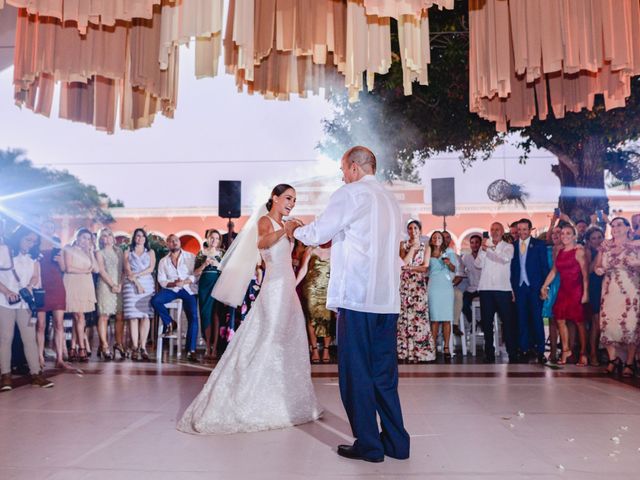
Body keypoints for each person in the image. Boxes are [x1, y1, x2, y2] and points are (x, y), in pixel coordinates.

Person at [292, 146, 410, 463]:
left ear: (355, 168)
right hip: (387, 301)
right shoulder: (390, 201)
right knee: (384, 375)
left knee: (356, 373)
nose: (342, 175)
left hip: (358, 299)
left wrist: (296, 229)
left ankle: (370, 445)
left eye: (343, 169)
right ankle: (398, 443)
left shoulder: (351, 193)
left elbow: (320, 232)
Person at [178, 184, 322, 434]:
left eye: (295, 200)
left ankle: (286, 398)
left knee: (288, 339)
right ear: (275, 198)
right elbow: (262, 242)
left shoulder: (289, 224)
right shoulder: (266, 221)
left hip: (287, 288)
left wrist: (299, 232)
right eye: (287, 198)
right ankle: (249, 397)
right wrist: (284, 231)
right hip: (274, 289)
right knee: (268, 338)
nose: (291, 203)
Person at [0, 225, 53, 390]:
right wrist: (7, 291)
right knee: (6, 338)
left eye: (34, 241)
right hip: (4, 301)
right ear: (19, 237)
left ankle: (36, 374)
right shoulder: (4, 250)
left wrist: (30, 285)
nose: (30, 244)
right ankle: (5, 376)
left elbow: (36, 275)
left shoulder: (34, 256)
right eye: (27, 239)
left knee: (29, 338)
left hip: (25, 302)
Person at [595, 217, 640, 377]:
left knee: (629, 325)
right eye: (613, 226)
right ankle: (613, 360)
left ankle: (629, 362)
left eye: (619, 225)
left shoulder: (636, 245)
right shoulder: (605, 246)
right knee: (609, 325)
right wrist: (599, 270)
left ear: (628, 228)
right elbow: (597, 266)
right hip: (609, 290)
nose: (615, 228)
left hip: (630, 290)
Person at [541, 225, 589, 366]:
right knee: (560, 319)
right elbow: (554, 271)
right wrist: (544, 286)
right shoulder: (560, 251)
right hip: (563, 289)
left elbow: (585, 274)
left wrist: (586, 293)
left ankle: (583, 353)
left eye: (568, 233)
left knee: (579, 322)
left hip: (576, 289)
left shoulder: (579, 251)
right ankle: (566, 349)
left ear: (574, 236)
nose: (564, 236)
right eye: (562, 233)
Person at [152, 235, 202, 362]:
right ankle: (170, 322)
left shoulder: (190, 257)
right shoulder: (163, 261)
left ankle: (191, 350)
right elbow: (161, 280)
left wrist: (184, 282)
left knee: (193, 317)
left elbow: (196, 275)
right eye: (170, 241)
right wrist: (174, 283)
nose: (174, 243)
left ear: (179, 242)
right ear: (167, 244)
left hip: (188, 289)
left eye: (176, 240)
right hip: (172, 290)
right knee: (155, 301)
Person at [475, 223, 517, 363]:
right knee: (487, 323)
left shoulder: (508, 247)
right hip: (486, 289)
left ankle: (512, 353)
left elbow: (504, 259)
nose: (494, 232)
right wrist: (483, 250)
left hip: (503, 289)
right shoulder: (485, 247)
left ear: (502, 231)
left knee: (508, 322)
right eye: (492, 229)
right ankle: (489, 353)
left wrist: (489, 249)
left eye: (497, 229)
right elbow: (478, 264)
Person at [510, 218, 549, 363]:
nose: (521, 232)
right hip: (519, 288)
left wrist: (545, 287)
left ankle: (540, 351)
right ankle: (524, 348)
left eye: (524, 229)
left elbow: (544, 266)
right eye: (519, 230)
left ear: (530, 230)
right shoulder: (512, 246)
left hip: (535, 287)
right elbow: (512, 270)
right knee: (522, 319)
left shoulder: (539, 245)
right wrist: (512, 289)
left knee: (537, 319)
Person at [396, 220, 435, 363]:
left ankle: (419, 351)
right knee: (405, 315)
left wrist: (410, 268)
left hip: (418, 284)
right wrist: (412, 249)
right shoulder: (403, 245)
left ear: (420, 230)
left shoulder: (426, 247)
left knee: (418, 315)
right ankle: (404, 351)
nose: (413, 231)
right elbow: (403, 262)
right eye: (410, 228)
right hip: (405, 284)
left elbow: (425, 267)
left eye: (415, 228)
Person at [63, 228, 99, 363]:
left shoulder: (88, 252)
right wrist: (85, 270)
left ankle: (72, 347)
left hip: (85, 286)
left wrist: (90, 252)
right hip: (73, 283)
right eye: (84, 238)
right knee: (79, 316)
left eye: (89, 239)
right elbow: (68, 267)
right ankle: (82, 348)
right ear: (77, 237)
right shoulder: (69, 248)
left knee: (77, 317)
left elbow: (96, 269)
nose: (86, 241)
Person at [36, 220, 68, 369]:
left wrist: (61, 261)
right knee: (40, 325)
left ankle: (60, 358)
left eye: (50, 227)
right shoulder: (34, 247)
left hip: (57, 287)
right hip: (40, 288)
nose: (48, 229)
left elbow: (63, 268)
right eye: (45, 226)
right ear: (40, 227)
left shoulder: (57, 247)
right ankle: (39, 357)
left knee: (59, 324)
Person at [297, 244, 335, 364]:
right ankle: (314, 349)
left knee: (327, 320)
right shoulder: (310, 249)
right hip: (311, 290)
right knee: (311, 320)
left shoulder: (335, 250)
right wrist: (294, 285)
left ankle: (326, 350)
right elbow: (303, 269)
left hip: (328, 291)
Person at [122, 228, 156, 361]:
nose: (140, 238)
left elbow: (151, 268)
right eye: (137, 236)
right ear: (134, 238)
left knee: (145, 316)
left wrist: (138, 276)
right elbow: (127, 271)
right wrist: (137, 283)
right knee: (133, 317)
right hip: (131, 286)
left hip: (147, 284)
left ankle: (143, 347)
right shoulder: (127, 252)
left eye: (142, 236)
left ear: (145, 238)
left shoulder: (151, 252)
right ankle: (135, 346)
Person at [95, 228, 124, 361]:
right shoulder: (99, 253)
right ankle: (105, 346)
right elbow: (101, 270)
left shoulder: (119, 252)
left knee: (119, 316)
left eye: (109, 235)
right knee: (104, 315)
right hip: (105, 286)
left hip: (119, 286)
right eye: (103, 236)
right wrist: (112, 285)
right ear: (101, 239)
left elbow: (124, 270)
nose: (106, 238)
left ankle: (118, 343)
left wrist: (120, 285)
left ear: (113, 237)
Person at [427, 231, 457, 361]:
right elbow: (425, 268)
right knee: (434, 319)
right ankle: (432, 348)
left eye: (439, 237)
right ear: (431, 240)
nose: (437, 239)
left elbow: (453, 268)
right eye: (434, 237)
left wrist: (448, 262)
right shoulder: (428, 252)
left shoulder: (449, 251)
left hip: (445, 286)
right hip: (433, 285)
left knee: (446, 318)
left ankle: (446, 347)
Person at [196, 229, 224, 361]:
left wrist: (217, 264)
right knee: (205, 314)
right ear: (207, 238)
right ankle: (207, 346)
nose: (214, 240)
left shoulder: (222, 253)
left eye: (217, 238)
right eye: (212, 238)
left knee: (216, 315)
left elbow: (227, 269)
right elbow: (195, 272)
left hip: (218, 284)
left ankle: (214, 348)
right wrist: (204, 264)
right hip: (204, 286)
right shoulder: (201, 253)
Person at [542, 223, 562, 363]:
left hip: (564, 284)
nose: (555, 235)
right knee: (552, 320)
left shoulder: (568, 249)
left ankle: (567, 349)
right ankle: (553, 351)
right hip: (550, 285)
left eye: (558, 233)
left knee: (564, 321)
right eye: (553, 233)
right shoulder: (546, 250)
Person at [584, 226, 605, 366]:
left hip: (607, 287)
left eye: (599, 237)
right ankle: (592, 353)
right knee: (595, 323)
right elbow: (589, 270)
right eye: (594, 238)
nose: (597, 241)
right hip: (594, 287)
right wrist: (599, 253)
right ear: (589, 241)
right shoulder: (588, 251)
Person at [460, 234, 482, 329]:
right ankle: (473, 322)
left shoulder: (484, 256)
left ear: (480, 244)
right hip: (471, 288)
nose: (474, 245)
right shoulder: (466, 257)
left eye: (477, 242)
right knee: (463, 304)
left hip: (483, 288)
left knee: (488, 306)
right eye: (472, 243)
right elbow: (460, 270)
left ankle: (483, 323)